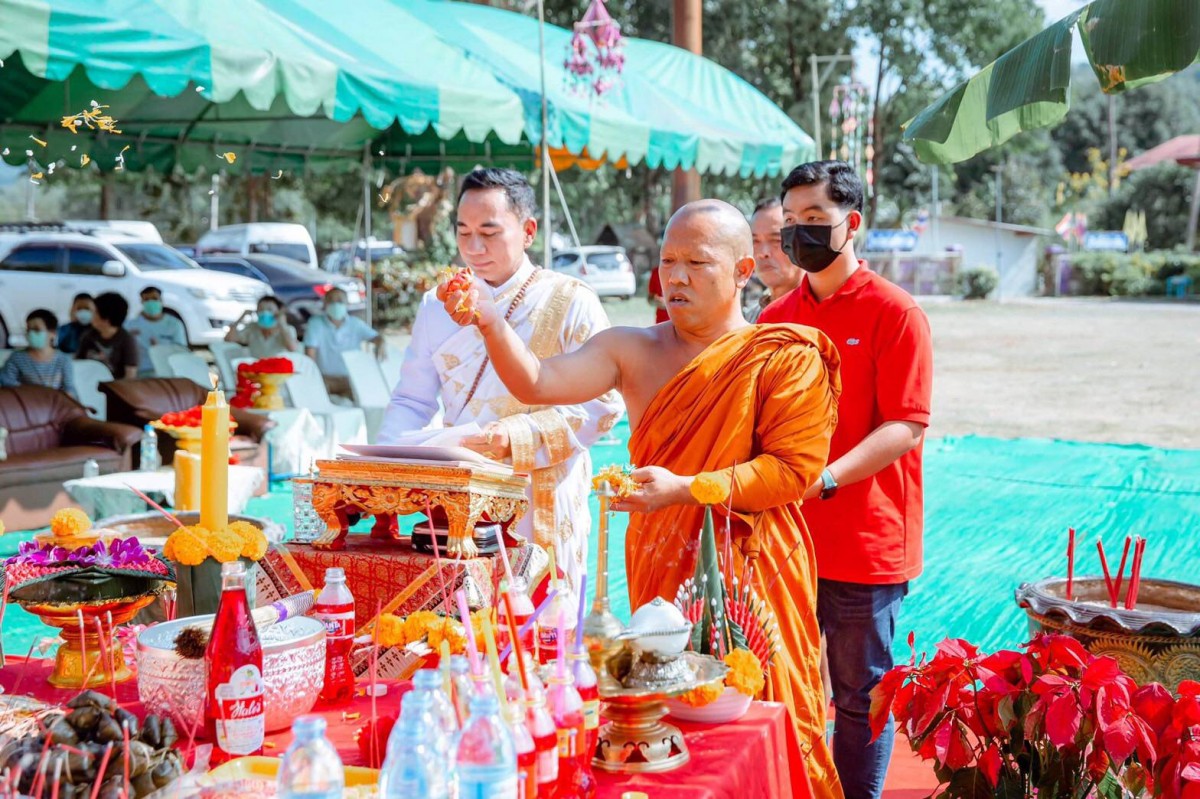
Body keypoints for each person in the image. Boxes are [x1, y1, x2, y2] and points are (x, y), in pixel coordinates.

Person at [438, 198, 841, 797]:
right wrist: (493, 321)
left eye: (696, 263)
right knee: (667, 709)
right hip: (661, 556)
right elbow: (539, 383)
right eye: (667, 260)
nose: (674, 277)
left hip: (755, 569)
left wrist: (689, 488)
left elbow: (791, 472)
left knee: (764, 709)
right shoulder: (632, 349)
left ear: (742, 271)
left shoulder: (783, 357)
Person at [758, 161, 933, 799]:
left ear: (850, 223)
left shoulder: (896, 312)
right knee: (784, 684)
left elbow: (907, 425)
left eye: (814, 221)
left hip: (866, 541)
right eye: (791, 222)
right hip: (788, 540)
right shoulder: (775, 316)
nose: (799, 234)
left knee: (860, 698)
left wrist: (826, 478)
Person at [379, 167, 623, 586]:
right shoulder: (436, 305)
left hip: (543, 493)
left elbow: (603, 405)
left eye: (489, 233)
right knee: (465, 631)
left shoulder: (570, 300)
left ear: (528, 231)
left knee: (544, 626)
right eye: (463, 232)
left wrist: (517, 436)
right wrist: (384, 468)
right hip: (462, 496)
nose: (474, 248)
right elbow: (412, 401)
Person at [303, 287, 383, 397]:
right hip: (325, 380)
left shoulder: (355, 324)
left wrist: (381, 345)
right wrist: (313, 379)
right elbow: (310, 355)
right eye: (331, 300)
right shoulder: (315, 324)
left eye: (340, 301)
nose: (335, 304)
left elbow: (377, 338)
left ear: (347, 303)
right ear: (324, 303)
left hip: (351, 380)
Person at [747, 196, 803, 321]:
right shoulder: (751, 318)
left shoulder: (820, 311)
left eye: (776, 240)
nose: (763, 253)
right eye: (755, 241)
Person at [1, 309, 77, 398]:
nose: (31, 333)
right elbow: (6, 382)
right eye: (29, 330)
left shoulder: (63, 360)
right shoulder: (17, 358)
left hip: (54, 407)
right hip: (25, 406)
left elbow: (69, 388)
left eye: (36, 330)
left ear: (53, 333)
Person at [126, 286, 188, 376]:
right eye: (147, 299)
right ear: (142, 302)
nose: (151, 302)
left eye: (154, 298)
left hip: (167, 372)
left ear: (161, 301)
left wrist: (159, 350)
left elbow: (181, 351)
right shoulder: (130, 325)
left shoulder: (174, 324)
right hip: (140, 373)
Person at [76, 292, 139, 380]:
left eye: (94, 312)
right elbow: (78, 364)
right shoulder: (88, 336)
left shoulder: (127, 340)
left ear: (106, 318)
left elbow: (130, 376)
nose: (91, 315)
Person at [226, 295, 299, 358]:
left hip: (280, 371)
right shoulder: (252, 327)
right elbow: (229, 339)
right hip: (258, 370)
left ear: (278, 312)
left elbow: (292, 347)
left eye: (269, 309)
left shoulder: (288, 329)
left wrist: (282, 324)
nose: (265, 312)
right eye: (261, 309)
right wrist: (240, 319)